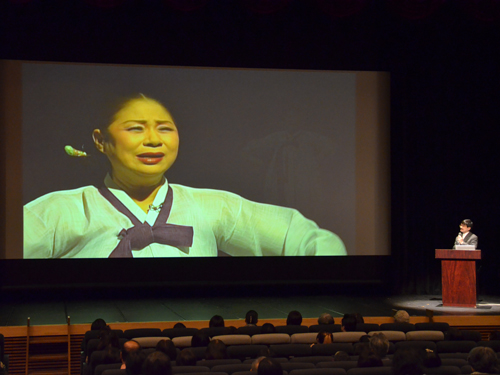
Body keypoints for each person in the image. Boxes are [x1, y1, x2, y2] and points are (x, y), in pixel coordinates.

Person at [23, 95, 347, 258]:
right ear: (100, 140)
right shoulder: (60, 210)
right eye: (136, 129)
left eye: (164, 129)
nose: (153, 140)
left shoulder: (212, 206)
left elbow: (305, 237)